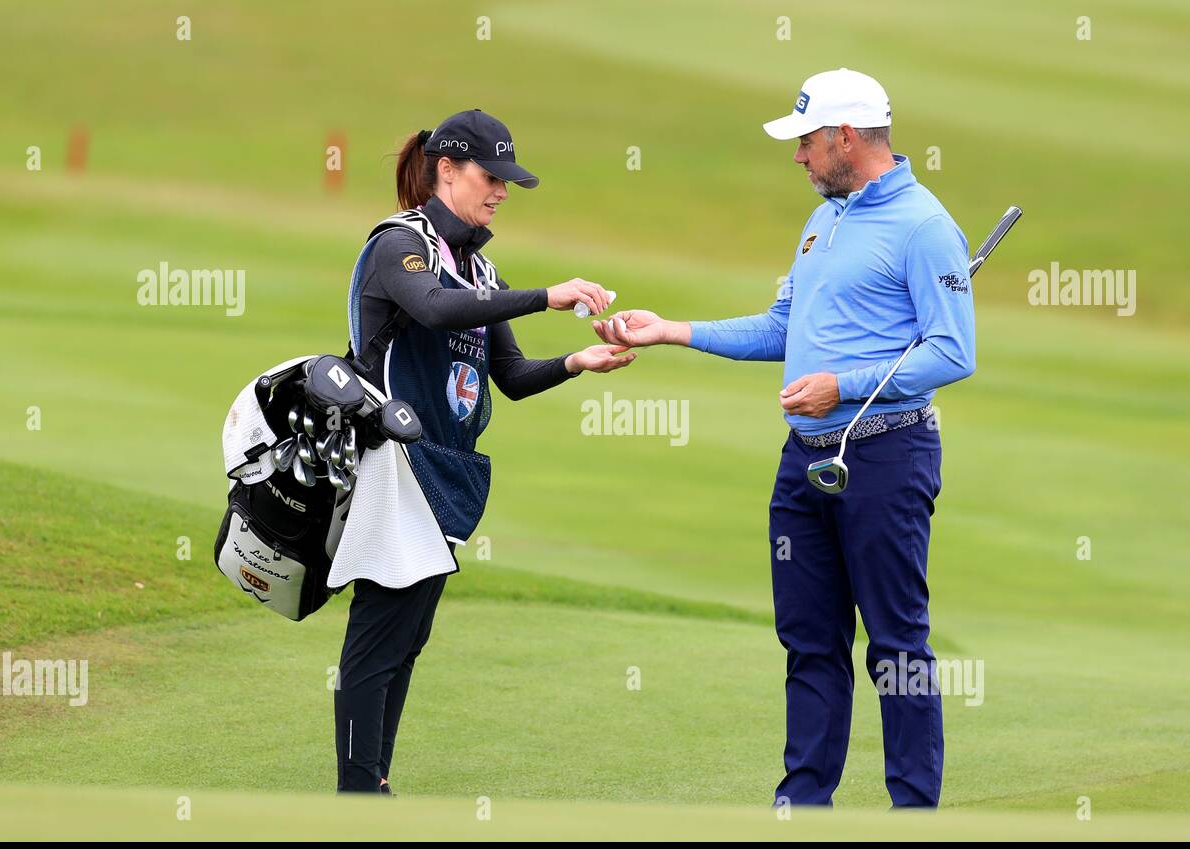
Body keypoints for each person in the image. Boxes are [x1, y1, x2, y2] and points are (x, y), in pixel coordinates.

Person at [593, 70, 975, 808]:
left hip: (886, 453)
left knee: (896, 645)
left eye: (806, 141)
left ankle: (915, 812)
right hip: (806, 462)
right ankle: (802, 806)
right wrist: (673, 330)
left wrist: (844, 385)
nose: (798, 157)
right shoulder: (824, 220)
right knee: (808, 639)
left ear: (844, 136)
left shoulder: (925, 227)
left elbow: (952, 352)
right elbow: (782, 328)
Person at [335, 109, 634, 794]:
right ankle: (356, 794)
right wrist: (547, 297)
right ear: (447, 171)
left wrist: (577, 362)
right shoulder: (400, 244)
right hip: (390, 464)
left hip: (441, 471)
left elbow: (512, 378)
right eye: (490, 176)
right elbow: (435, 309)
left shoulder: (480, 267)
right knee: (380, 637)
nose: (500, 191)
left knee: (407, 638)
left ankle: (372, 782)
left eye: (507, 181)